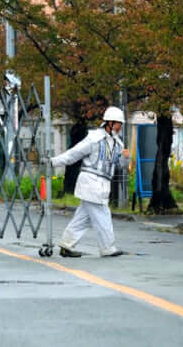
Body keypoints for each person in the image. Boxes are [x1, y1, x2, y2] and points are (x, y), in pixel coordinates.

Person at [51, 106, 130, 257]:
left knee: (83, 217)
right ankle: (107, 248)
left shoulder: (117, 144)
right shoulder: (94, 138)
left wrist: (125, 157)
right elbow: (74, 154)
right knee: (103, 215)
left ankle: (66, 245)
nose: (121, 127)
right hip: (91, 183)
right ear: (110, 123)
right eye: (119, 123)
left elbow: (120, 166)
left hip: (102, 185)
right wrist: (54, 162)